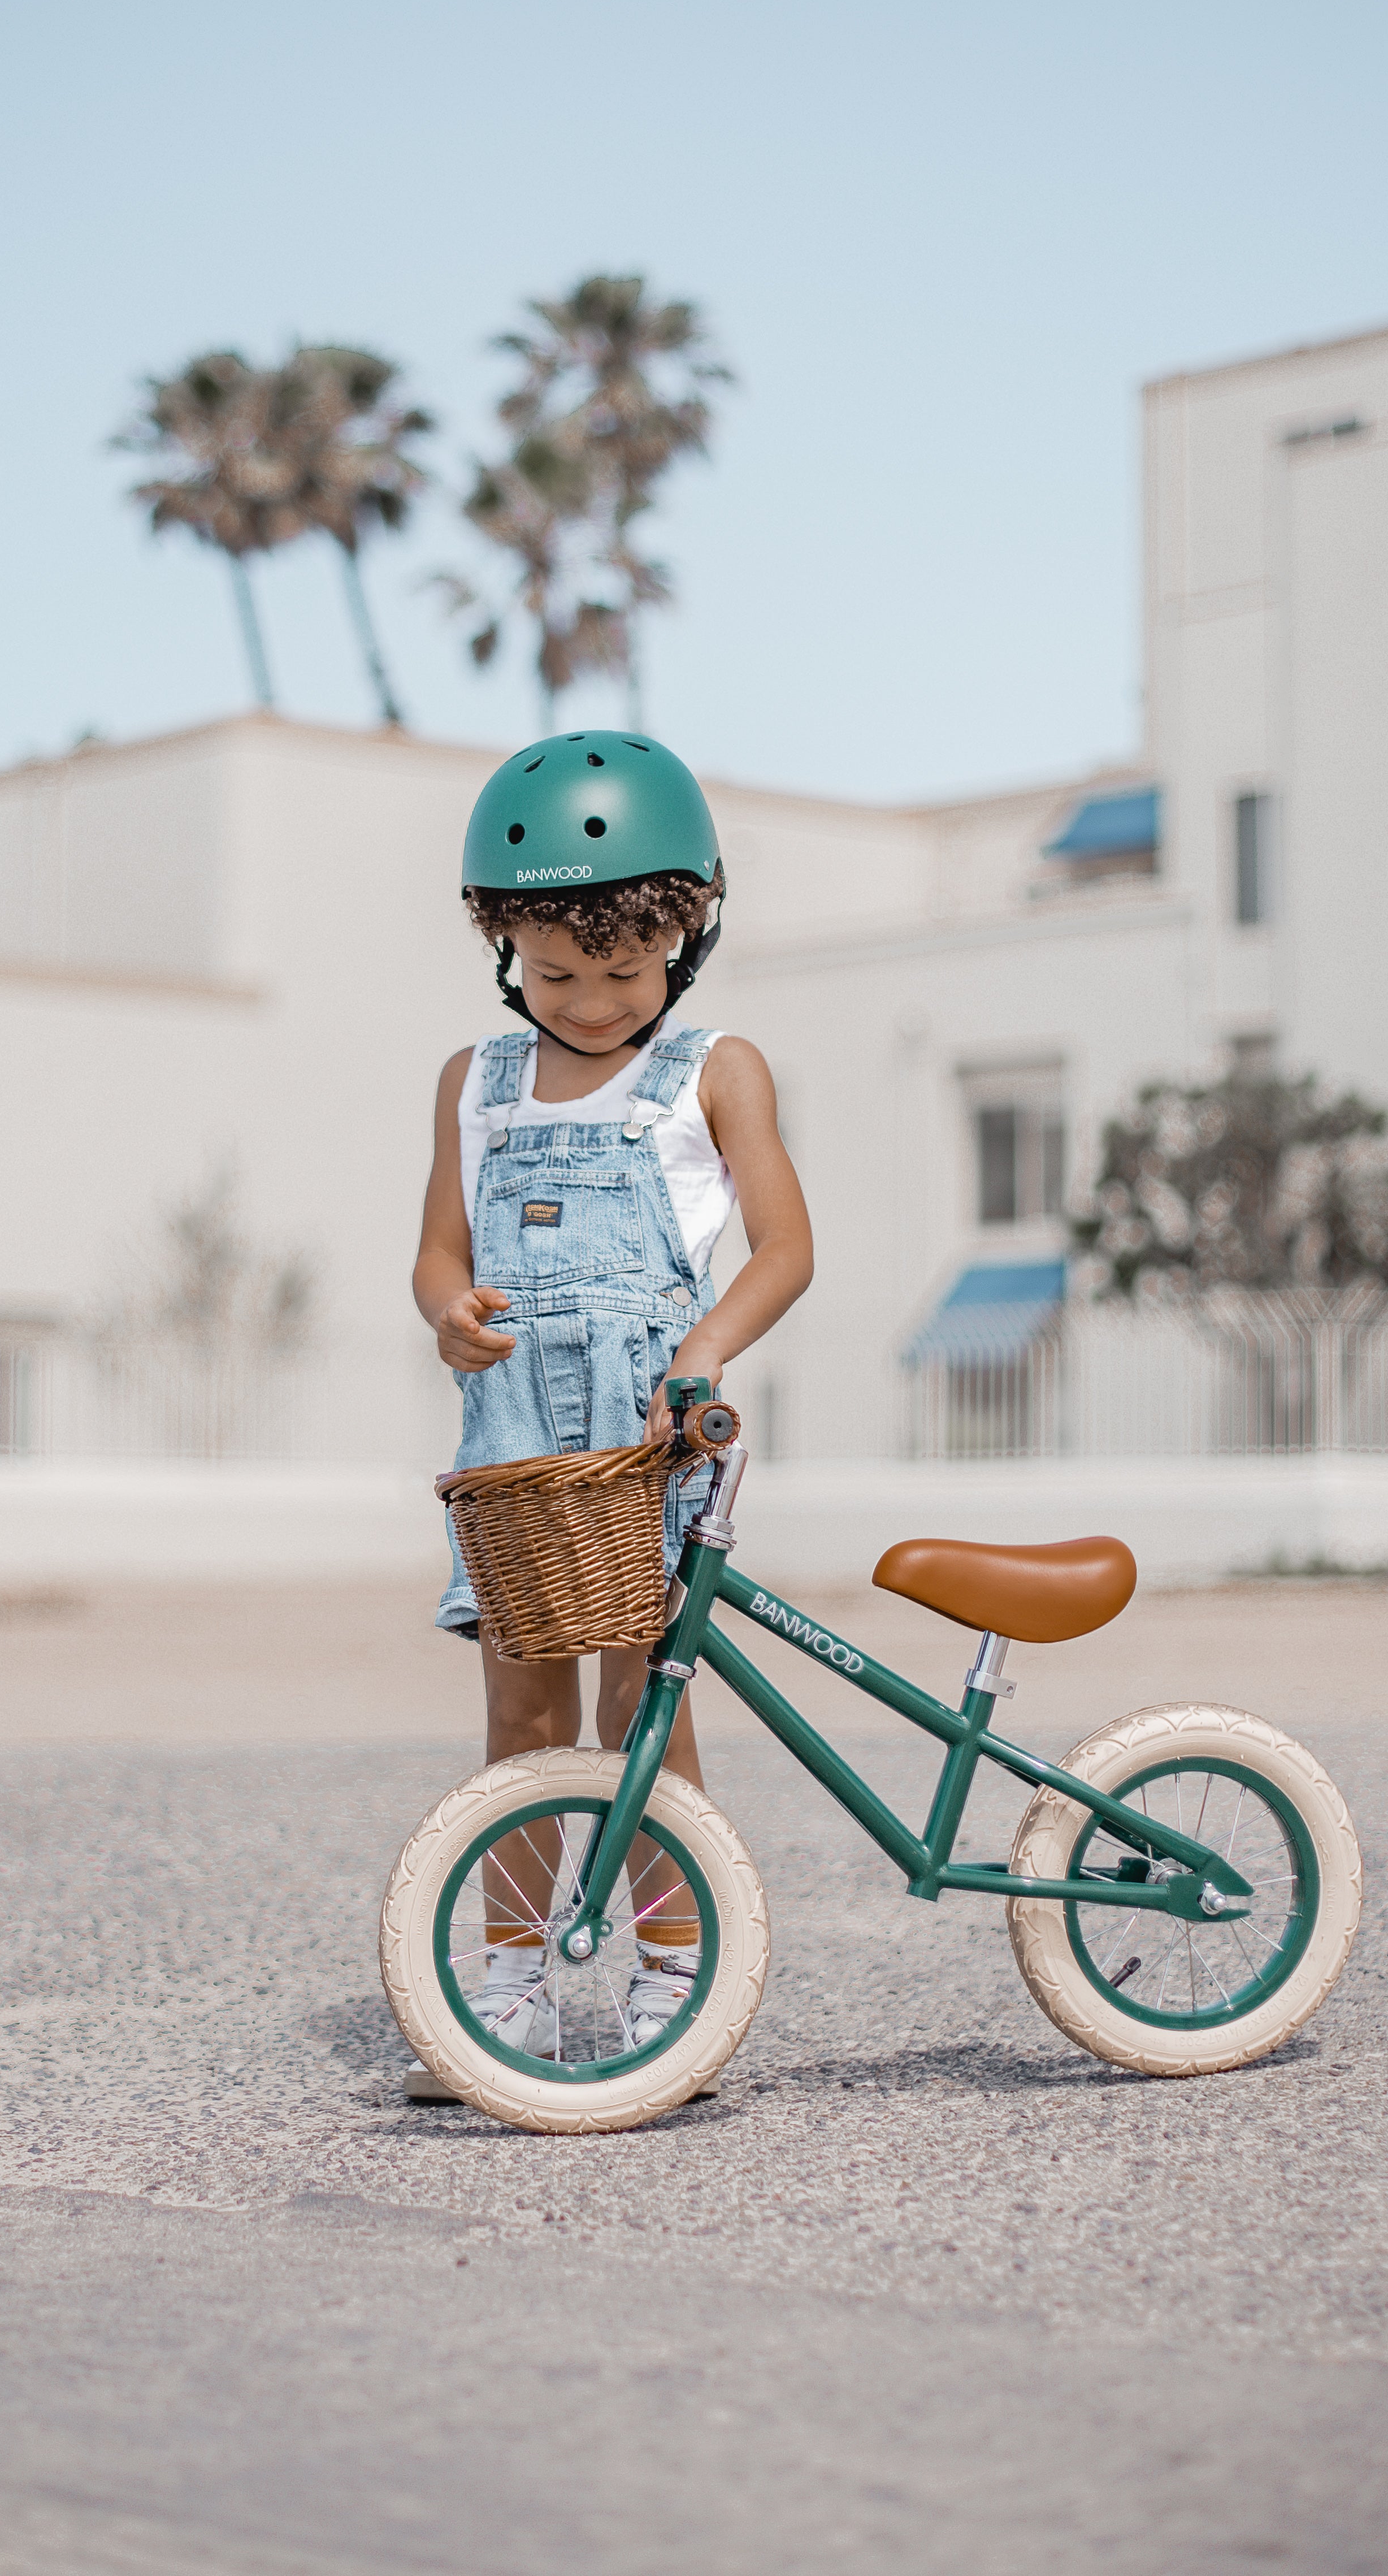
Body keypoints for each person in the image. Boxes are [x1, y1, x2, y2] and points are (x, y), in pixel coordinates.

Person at [410, 731, 813, 2080]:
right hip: (519, 1441)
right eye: (557, 972)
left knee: (649, 1714)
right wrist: (450, 1314)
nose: (586, 1002)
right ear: (506, 945)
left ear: (685, 934)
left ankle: (680, 1979)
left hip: (644, 1441)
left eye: (621, 971)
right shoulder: (475, 1085)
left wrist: (703, 1347)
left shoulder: (715, 1072)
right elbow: (439, 1256)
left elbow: (784, 1250)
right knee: (523, 1720)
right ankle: (510, 1987)